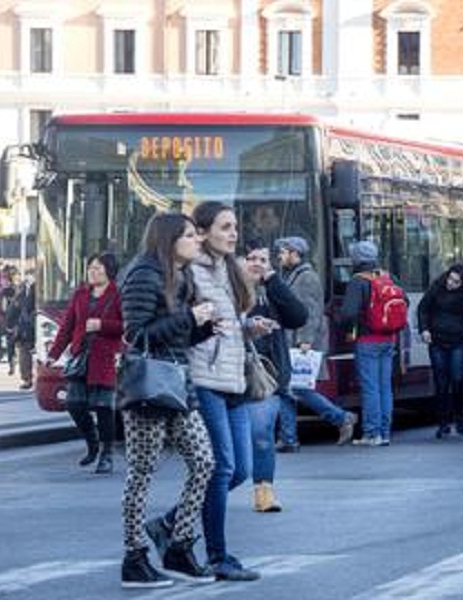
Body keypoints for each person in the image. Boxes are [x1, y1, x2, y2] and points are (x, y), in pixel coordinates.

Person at [120, 212, 216, 588]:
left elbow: (178, 337)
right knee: (141, 472)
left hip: (178, 384)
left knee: (204, 462)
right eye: (190, 235)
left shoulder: (184, 276)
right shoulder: (144, 274)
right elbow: (138, 334)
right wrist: (190, 317)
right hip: (148, 387)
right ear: (169, 239)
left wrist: (204, 327)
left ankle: (178, 546)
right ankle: (134, 556)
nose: (197, 241)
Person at [185, 201, 269, 581]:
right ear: (202, 233)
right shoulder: (190, 272)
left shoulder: (229, 270)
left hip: (235, 378)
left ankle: (172, 525)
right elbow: (190, 324)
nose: (233, 233)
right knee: (222, 469)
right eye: (225, 227)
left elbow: (229, 321)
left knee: (241, 471)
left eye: (235, 226)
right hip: (206, 378)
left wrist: (249, 328)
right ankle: (217, 556)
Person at [241, 238, 308, 512]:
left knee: (261, 432)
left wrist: (272, 282)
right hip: (228, 372)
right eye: (252, 258)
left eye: (263, 260)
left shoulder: (273, 290)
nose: (257, 264)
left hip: (266, 375)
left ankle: (264, 491)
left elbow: (298, 317)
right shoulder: (226, 288)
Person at [275, 236, 357, 451]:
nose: (280, 257)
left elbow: (311, 313)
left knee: (298, 388)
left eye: (283, 252)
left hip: (300, 341)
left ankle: (341, 417)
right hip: (291, 340)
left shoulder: (306, 278)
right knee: (286, 389)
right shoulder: (293, 275)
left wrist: (305, 340)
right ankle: (288, 438)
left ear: (295, 254)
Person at [46, 253, 123, 474]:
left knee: (103, 408)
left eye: (98, 268)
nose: (93, 272)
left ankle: (107, 455)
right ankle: (93, 444)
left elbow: (127, 326)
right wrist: (53, 354)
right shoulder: (80, 295)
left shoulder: (118, 295)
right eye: (90, 268)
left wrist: (101, 325)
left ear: (109, 271)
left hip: (105, 359)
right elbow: (66, 328)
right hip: (80, 358)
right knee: (74, 404)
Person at [338, 239, 397, 446]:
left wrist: (346, 326)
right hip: (389, 338)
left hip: (367, 339)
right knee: (384, 387)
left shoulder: (358, 281)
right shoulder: (386, 276)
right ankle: (385, 432)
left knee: (370, 388)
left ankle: (372, 433)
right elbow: (403, 301)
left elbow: (348, 313)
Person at [417, 264, 463, 438]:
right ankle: (443, 422)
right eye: (450, 279)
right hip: (437, 341)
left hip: (459, 341)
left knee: (458, 379)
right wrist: (424, 329)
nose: (451, 283)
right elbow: (423, 309)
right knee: (441, 382)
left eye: (456, 282)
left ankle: (459, 415)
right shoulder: (437, 287)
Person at [6, 270, 36, 389]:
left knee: (24, 352)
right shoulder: (43, 287)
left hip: (26, 328)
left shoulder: (22, 292)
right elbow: (13, 309)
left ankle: (27, 379)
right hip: (30, 326)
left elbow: (13, 310)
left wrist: (9, 326)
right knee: (24, 351)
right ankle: (28, 378)